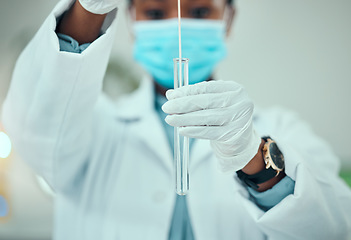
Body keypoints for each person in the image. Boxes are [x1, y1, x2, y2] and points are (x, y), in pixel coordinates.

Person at [2, 0, 351, 239]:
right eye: (155, 12)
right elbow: (36, 133)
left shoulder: (282, 128)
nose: (179, 25)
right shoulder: (96, 125)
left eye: (200, 10)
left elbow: (333, 227)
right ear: (131, 20)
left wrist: (254, 157)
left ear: (228, 19)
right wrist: (85, 10)